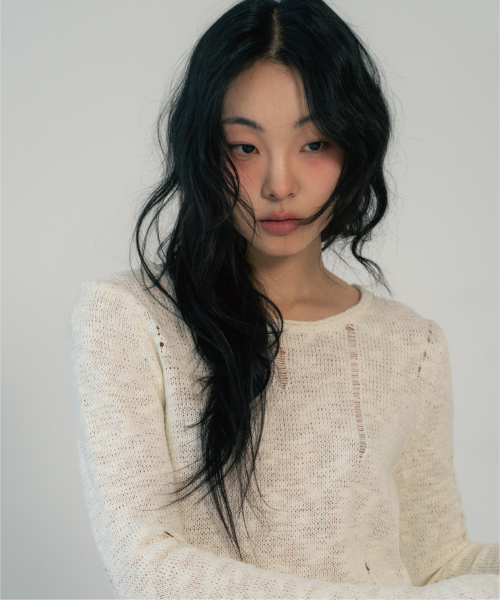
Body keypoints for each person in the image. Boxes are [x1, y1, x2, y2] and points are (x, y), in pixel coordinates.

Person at [68, 0, 499, 598]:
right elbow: (146, 564)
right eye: (244, 147)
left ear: (355, 148)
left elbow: (434, 563)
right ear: (202, 150)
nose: (280, 184)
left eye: (314, 144)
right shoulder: (129, 318)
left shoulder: (413, 344)